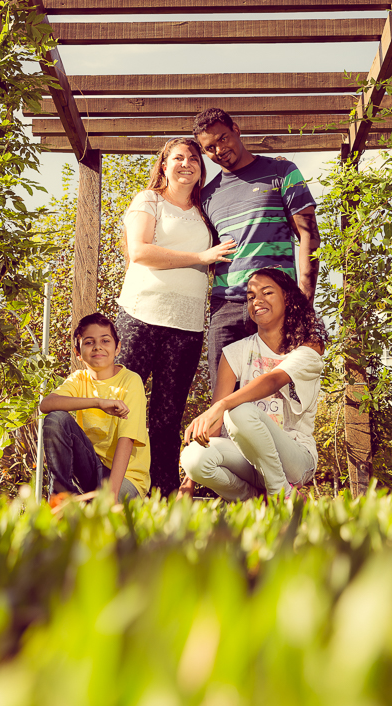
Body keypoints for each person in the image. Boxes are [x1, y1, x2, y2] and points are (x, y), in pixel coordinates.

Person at [116, 137, 237, 497]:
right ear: (164, 165)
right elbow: (138, 251)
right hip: (140, 316)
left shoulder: (205, 211)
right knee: (121, 407)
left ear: (201, 171)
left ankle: (162, 496)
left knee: (167, 419)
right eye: (178, 158)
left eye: (194, 160)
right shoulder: (148, 200)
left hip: (186, 327)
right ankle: (109, 489)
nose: (187, 164)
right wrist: (201, 258)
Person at [192, 107, 321, 390]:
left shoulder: (281, 171)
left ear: (236, 130)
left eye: (223, 139)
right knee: (224, 402)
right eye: (209, 148)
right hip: (224, 306)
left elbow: (309, 234)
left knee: (278, 398)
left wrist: (303, 301)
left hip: (275, 302)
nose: (219, 150)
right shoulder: (207, 196)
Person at [178, 268, 328, 502]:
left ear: (287, 298)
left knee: (239, 410)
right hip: (248, 459)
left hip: (296, 459)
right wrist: (189, 481)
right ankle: (252, 501)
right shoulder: (235, 352)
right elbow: (214, 426)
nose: (257, 301)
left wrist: (221, 406)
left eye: (267, 293)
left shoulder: (308, 349)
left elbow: (272, 380)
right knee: (193, 458)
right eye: (250, 296)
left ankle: (281, 493)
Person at [40, 312, 150, 507]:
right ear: (78, 352)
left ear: (117, 348)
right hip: (91, 470)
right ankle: (61, 499)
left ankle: (94, 503)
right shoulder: (78, 379)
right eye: (89, 342)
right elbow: (46, 404)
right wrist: (98, 402)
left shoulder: (130, 381)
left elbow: (127, 440)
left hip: (125, 477)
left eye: (105, 341)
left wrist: (112, 496)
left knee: (105, 514)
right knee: (56, 419)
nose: (98, 346)